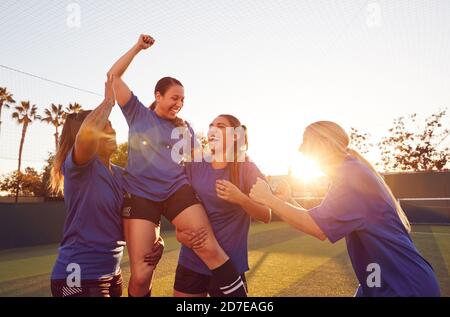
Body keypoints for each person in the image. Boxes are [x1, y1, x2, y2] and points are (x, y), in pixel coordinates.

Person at [107, 35, 247, 297]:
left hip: (176, 191)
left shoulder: (185, 129)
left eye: (183, 99)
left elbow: (201, 162)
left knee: (207, 245)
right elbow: (113, 76)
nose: (179, 103)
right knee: (142, 273)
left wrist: (236, 158)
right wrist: (138, 47)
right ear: (158, 96)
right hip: (140, 196)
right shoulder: (138, 113)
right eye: (174, 97)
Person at [249, 121, 441, 297]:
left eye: (306, 141)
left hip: (405, 288)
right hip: (380, 282)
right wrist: (288, 200)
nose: (300, 148)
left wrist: (268, 198)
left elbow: (317, 228)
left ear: (324, 144)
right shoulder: (350, 171)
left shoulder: (350, 176)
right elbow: (319, 220)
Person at [50, 76, 164, 297]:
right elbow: (84, 136)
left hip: (112, 275)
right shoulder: (79, 169)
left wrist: (156, 239)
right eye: (104, 128)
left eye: (111, 127)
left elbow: (141, 214)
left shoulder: (123, 175)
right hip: (77, 274)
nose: (111, 132)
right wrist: (109, 101)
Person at [174, 114, 271, 297]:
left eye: (220, 125)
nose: (213, 129)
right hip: (191, 260)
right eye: (211, 125)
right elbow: (177, 202)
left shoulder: (247, 169)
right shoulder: (195, 165)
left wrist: (241, 198)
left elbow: (266, 215)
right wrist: (180, 233)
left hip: (229, 263)